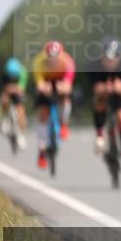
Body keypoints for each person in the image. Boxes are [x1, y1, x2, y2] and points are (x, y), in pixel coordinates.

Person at [91, 36, 121, 174]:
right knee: (99, 102)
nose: (111, 61)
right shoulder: (94, 66)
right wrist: (105, 89)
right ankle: (100, 135)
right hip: (103, 93)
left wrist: (120, 88)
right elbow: (95, 89)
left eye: (115, 58)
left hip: (120, 95)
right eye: (108, 58)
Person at [31, 40, 76, 168]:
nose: (53, 62)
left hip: (60, 80)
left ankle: (63, 124)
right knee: (43, 114)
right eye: (50, 59)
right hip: (46, 80)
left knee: (65, 97)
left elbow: (68, 82)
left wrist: (65, 86)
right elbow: (39, 82)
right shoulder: (39, 61)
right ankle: (41, 150)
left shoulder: (68, 61)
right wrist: (42, 87)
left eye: (56, 59)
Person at [0, 56, 28, 149]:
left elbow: (22, 88)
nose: (12, 77)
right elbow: (4, 87)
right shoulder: (4, 73)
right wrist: (8, 89)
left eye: (14, 76)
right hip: (8, 91)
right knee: (4, 99)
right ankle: (4, 119)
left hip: (17, 92)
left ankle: (22, 134)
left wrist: (16, 89)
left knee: (21, 110)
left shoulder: (23, 73)